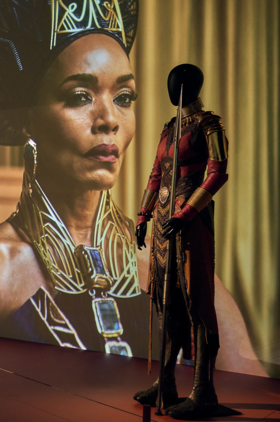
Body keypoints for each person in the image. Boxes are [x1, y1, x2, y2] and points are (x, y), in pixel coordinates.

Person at [0, 0, 264, 375]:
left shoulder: (170, 259)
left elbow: (251, 388)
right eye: (79, 96)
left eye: (124, 98)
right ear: (29, 119)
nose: (109, 119)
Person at [133, 65, 229, 419]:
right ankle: (167, 381)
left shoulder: (209, 126)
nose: (173, 89)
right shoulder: (169, 128)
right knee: (167, 301)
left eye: (178, 84)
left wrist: (186, 213)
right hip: (162, 224)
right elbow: (156, 174)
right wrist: (144, 215)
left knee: (197, 301)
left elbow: (218, 172)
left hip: (189, 223)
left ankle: (203, 390)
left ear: (189, 86)